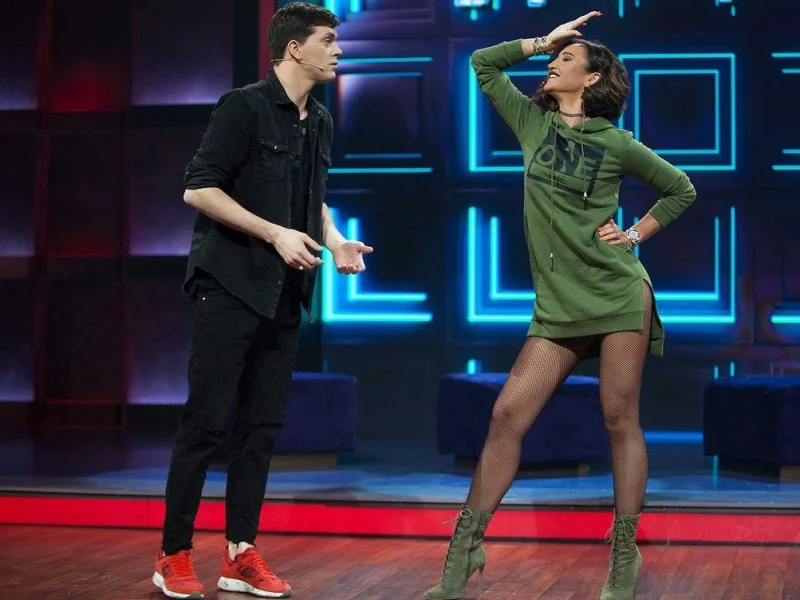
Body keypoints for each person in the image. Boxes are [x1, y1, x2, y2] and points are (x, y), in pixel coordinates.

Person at [425, 10, 695, 600]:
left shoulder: (617, 143)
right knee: (506, 416)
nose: (552, 63)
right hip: (558, 305)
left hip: (618, 294)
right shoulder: (532, 122)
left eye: (566, 59)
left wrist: (634, 234)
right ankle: (466, 547)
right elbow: (483, 64)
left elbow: (681, 188)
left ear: (592, 79)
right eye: (554, 57)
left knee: (619, 418)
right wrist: (542, 40)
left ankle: (623, 556)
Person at [152, 3, 373, 599]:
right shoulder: (242, 107)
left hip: (284, 293)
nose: (338, 50)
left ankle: (240, 554)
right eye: (328, 40)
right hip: (230, 284)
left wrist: (336, 240)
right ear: (295, 48)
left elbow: (311, 197)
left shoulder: (319, 120)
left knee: (261, 428)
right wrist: (274, 233)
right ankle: (173, 554)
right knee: (205, 423)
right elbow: (199, 188)